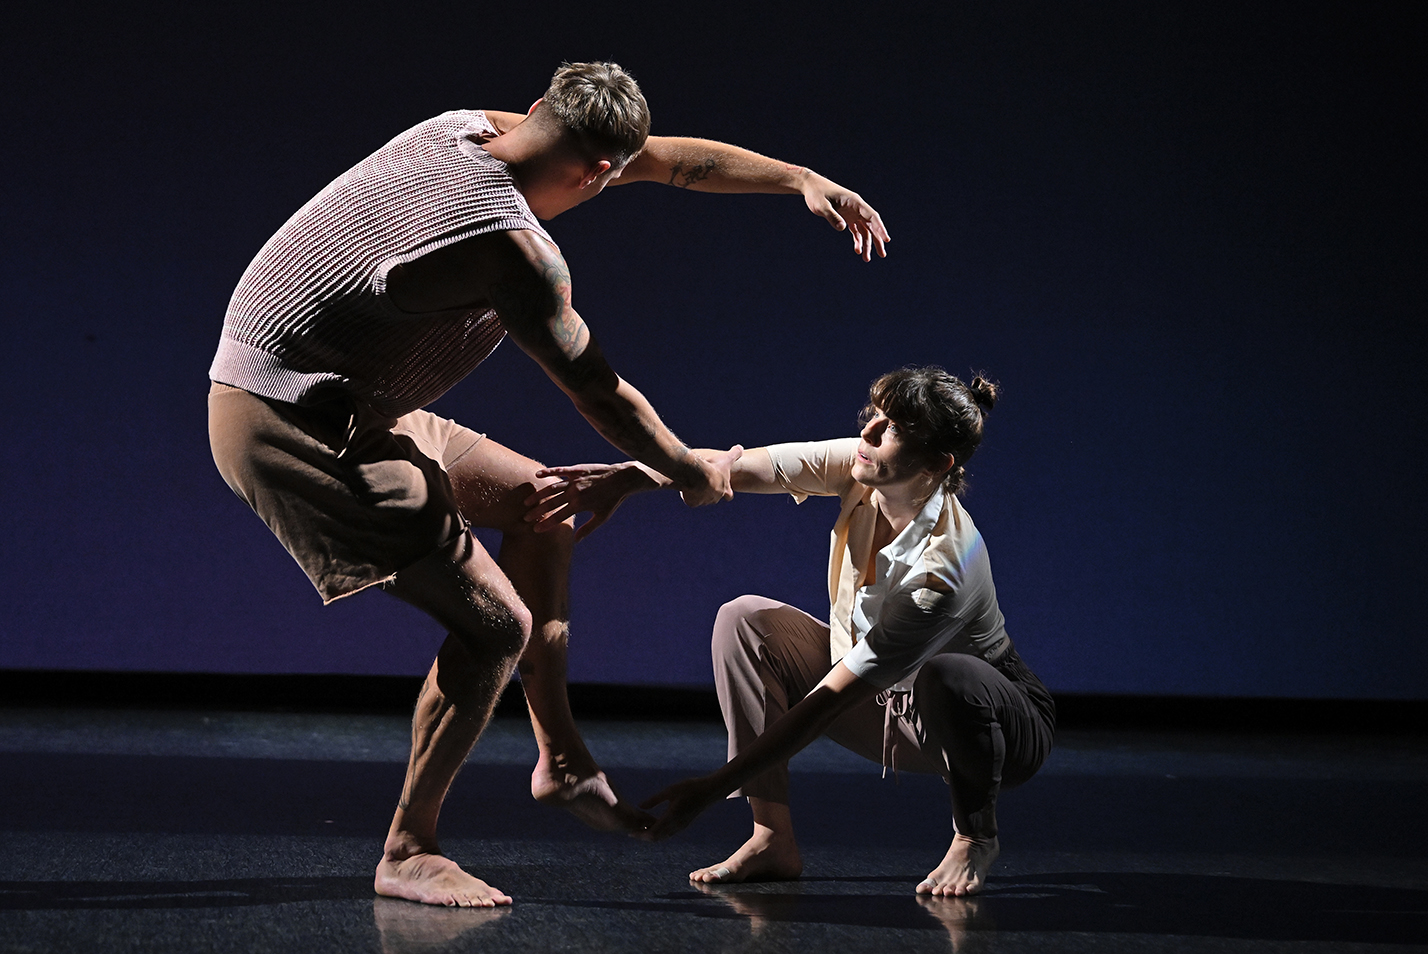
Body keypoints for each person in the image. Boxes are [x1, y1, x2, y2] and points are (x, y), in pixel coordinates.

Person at [206, 61, 890, 908]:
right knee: (496, 626)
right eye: (614, 170)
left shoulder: (462, 125)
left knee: (546, 502)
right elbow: (599, 392)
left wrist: (800, 180)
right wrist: (687, 470)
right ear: (593, 170)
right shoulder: (513, 250)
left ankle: (560, 760)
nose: (625, 176)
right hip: (288, 420)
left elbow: (673, 160)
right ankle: (407, 849)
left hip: (358, 397)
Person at [527, 367, 1055, 897]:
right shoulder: (860, 464)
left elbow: (826, 702)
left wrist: (712, 787)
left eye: (892, 429)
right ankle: (770, 838)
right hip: (893, 708)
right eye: (874, 415)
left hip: (996, 731)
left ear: (939, 464)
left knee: (948, 675)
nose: (868, 433)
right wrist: (627, 478)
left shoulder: (945, 568)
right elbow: (731, 467)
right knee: (745, 620)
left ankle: (976, 835)